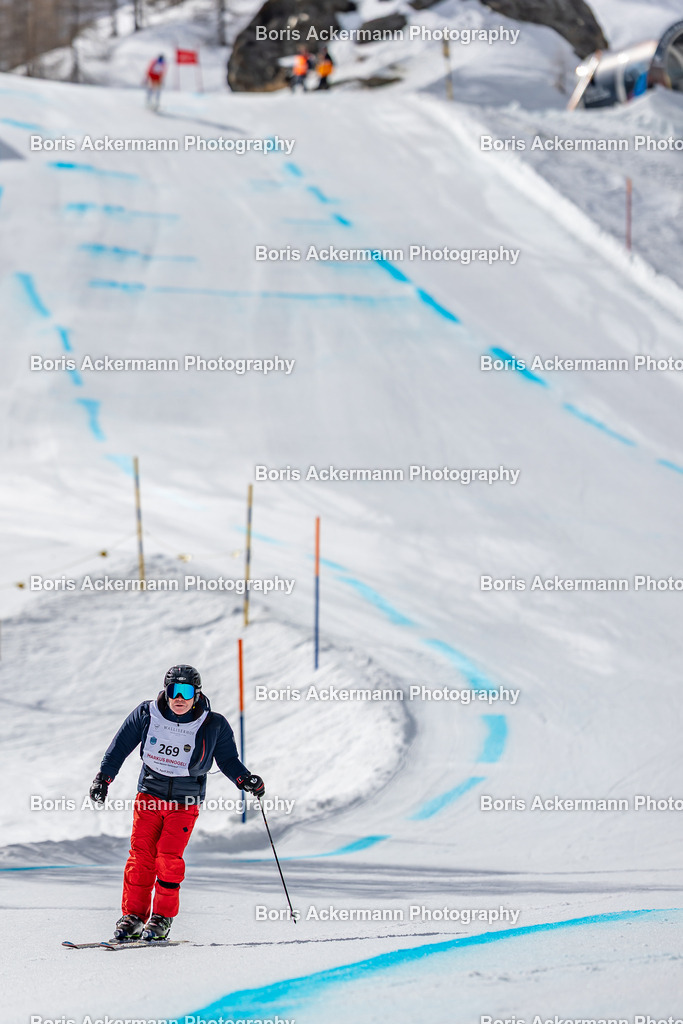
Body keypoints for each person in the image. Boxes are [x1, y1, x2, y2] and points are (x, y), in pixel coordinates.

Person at [89, 665, 265, 942]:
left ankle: (161, 918)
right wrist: (103, 778)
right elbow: (119, 746)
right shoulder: (147, 713)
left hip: (185, 801)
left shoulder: (213, 724)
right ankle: (133, 917)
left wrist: (245, 779)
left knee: (168, 858)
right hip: (149, 796)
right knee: (141, 857)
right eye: (174, 691)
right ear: (166, 691)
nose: (179, 698)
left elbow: (228, 760)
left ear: (197, 694)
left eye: (186, 691)